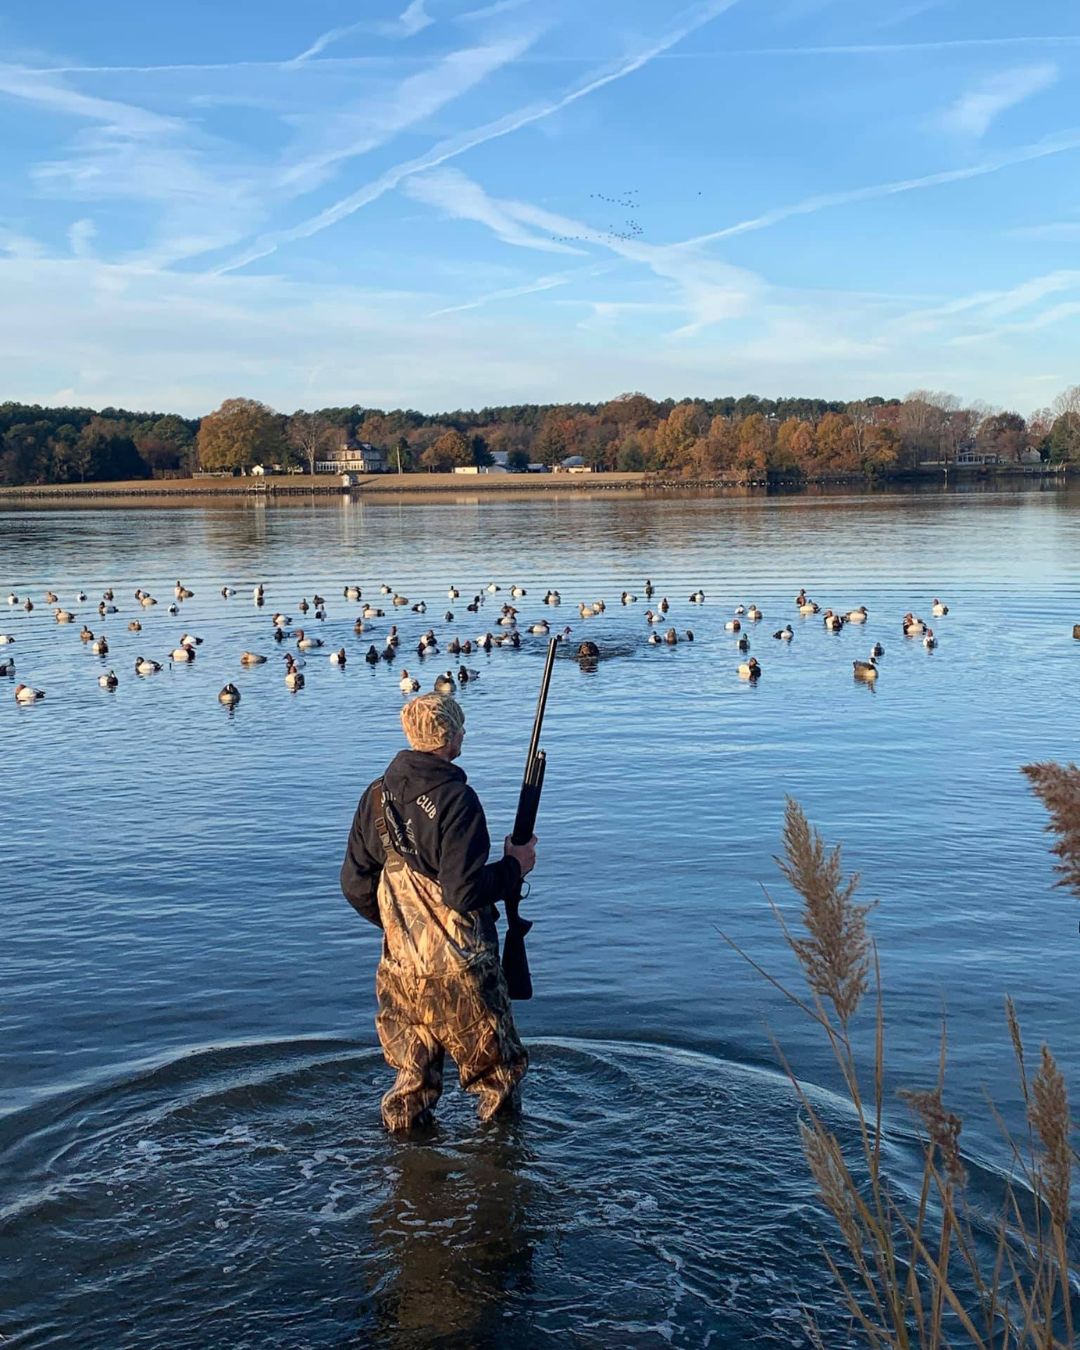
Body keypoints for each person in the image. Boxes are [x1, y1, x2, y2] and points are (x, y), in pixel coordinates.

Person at [341, 693, 536, 1131]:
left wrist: (401, 930)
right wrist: (513, 866)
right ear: (448, 737)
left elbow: (354, 885)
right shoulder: (457, 800)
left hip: (399, 974)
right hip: (460, 974)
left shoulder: (374, 797)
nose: (464, 733)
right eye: (461, 727)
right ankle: (499, 1182)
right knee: (498, 1082)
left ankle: (406, 1181)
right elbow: (463, 893)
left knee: (411, 1086)